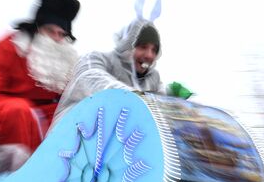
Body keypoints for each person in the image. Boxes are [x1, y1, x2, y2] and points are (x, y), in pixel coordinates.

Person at [0, 0, 80, 182]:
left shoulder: (65, 58)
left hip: (43, 122)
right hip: (8, 119)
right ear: (38, 28)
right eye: (51, 31)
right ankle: (11, 175)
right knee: (20, 110)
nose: (56, 39)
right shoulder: (10, 47)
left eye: (62, 34)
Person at [54, 14, 192, 123]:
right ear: (127, 46)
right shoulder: (96, 59)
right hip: (68, 143)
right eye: (143, 47)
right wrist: (140, 98)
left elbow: (161, 101)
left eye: (154, 50)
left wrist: (173, 100)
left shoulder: (152, 80)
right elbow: (92, 79)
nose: (149, 55)